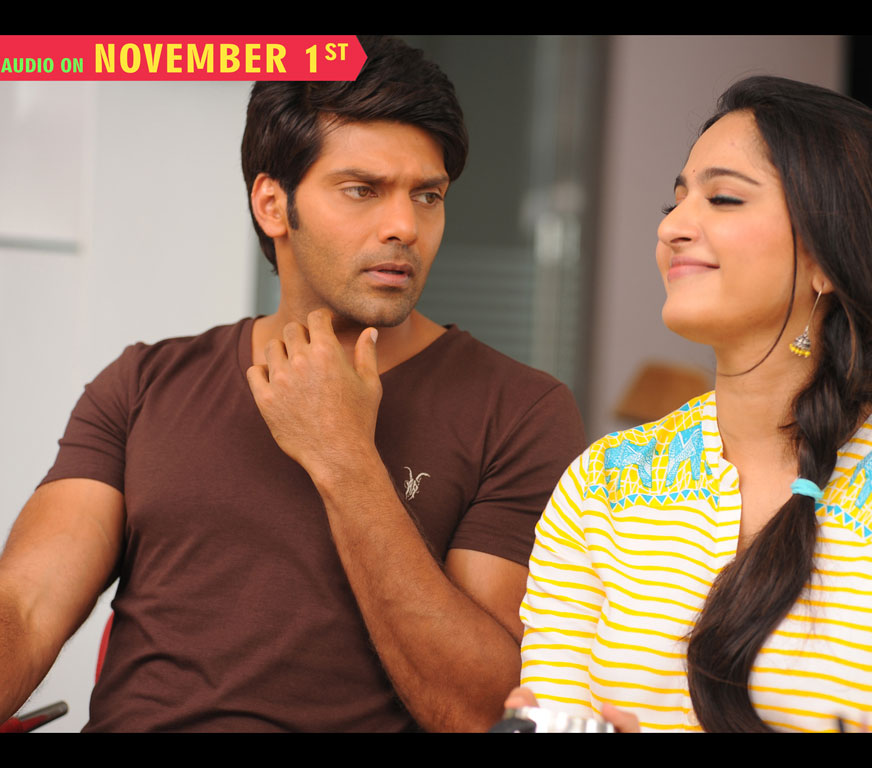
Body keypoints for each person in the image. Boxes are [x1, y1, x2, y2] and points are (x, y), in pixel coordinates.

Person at [0, 36, 586, 732]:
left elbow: (482, 711)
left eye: (427, 196)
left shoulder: (519, 410)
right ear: (273, 204)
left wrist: (344, 457)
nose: (405, 226)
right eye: (362, 190)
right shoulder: (143, 385)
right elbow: (26, 607)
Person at [509, 76, 872, 732]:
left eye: (723, 198)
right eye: (675, 201)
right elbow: (553, 711)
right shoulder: (602, 485)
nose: (671, 228)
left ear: (831, 258)